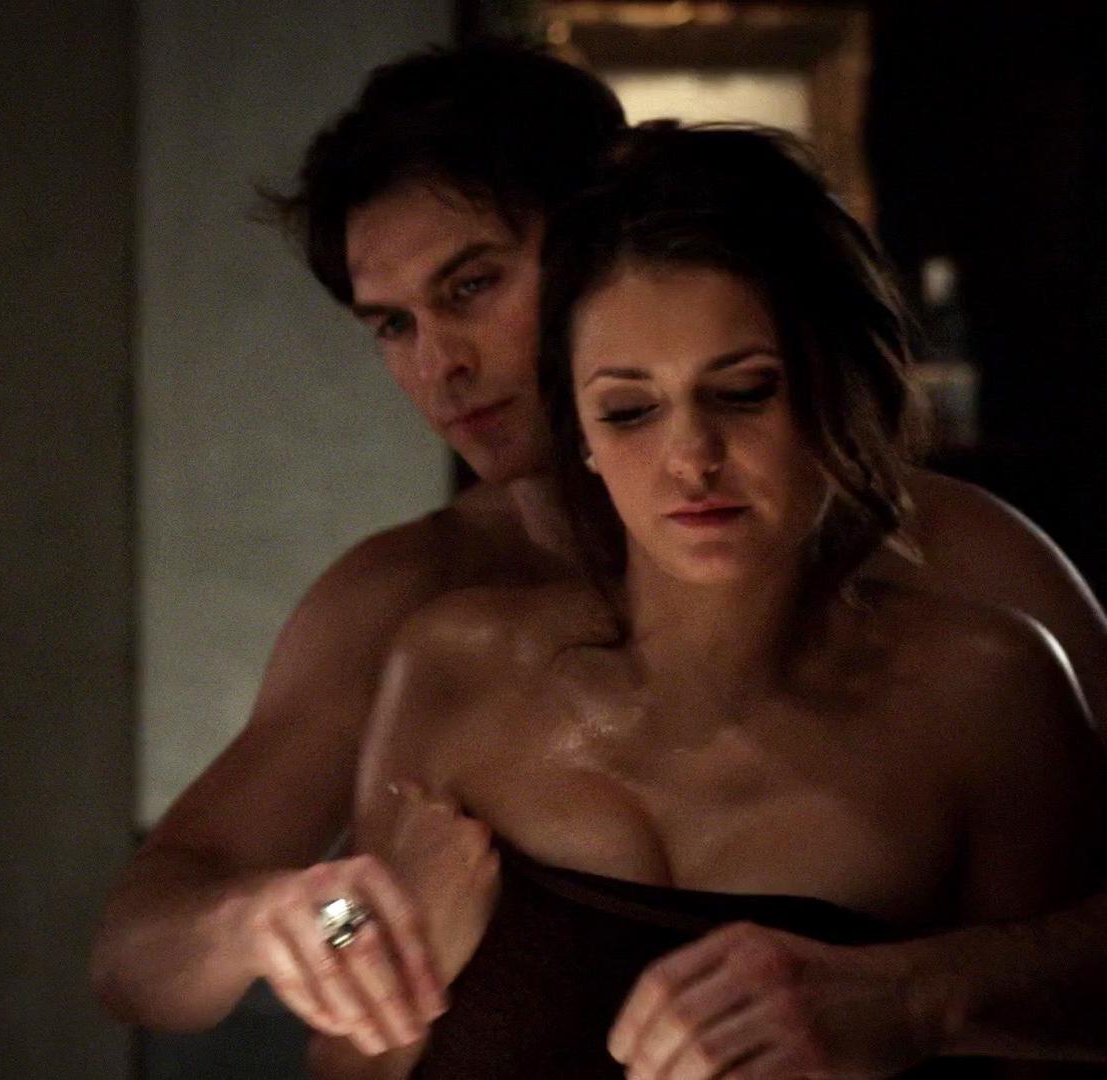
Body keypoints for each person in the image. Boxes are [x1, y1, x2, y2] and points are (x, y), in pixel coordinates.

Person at [89, 42, 1107, 1065]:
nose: (439, 364)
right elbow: (138, 954)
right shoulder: (424, 607)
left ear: (597, 233)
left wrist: (921, 993)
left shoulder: (955, 571)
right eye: (392, 325)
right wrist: (294, 923)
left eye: (472, 285)